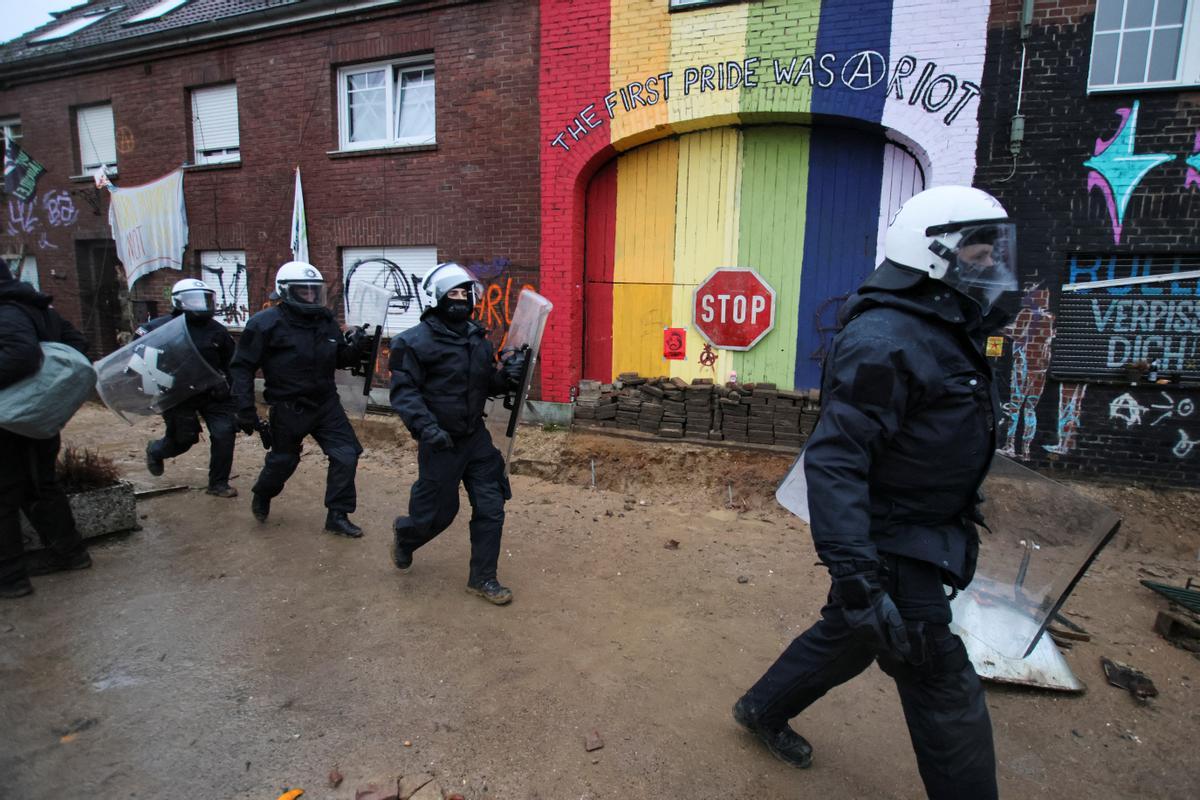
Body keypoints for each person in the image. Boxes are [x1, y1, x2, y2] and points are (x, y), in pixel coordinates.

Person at [732, 186, 1018, 800]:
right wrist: (860, 577)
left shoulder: (942, 326)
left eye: (995, 251)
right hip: (889, 541)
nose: (992, 265)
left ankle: (761, 709)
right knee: (939, 676)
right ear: (931, 253)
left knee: (850, 638)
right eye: (978, 252)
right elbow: (835, 462)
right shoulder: (887, 339)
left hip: (922, 529)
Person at [388, 262, 526, 605]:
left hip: (475, 438)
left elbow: (485, 384)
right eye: (454, 293)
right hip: (440, 441)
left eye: (467, 293)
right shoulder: (412, 343)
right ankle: (407, 537)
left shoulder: (477, 340)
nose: (462, 299)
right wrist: (427, 428)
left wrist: (507, 374)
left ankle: (483, 579)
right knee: (438, 515)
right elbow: (404, 392)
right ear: (437, 297)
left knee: (492, 507)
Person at [229, 261, 374, 537]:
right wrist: (244, 408)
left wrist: (357, 347)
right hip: (289, 406)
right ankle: (263, 493)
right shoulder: (265, 324)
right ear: (286, 292)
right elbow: (242, 367)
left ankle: (337, 515)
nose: (310, 296)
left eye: (313, 290)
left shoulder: (324, 320)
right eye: (303, 291)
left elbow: (339, 357)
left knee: (346, 455)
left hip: (326, 403)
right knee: (284, 460)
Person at [0, 261, 92, 598]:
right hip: (37, 416)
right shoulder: (40, 309)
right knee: (40, 486)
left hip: (9, 420)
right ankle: (69, 553)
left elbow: (21, 355)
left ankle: (10, 579)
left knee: (5, 495)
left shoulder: (6, 312)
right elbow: (76, 345)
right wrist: (47, 390)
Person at [140, 278, 239, 497]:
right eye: (194, 300)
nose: (201, 304)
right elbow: (139, 361)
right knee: (184, 439)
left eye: (205, 299)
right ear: (179, 301)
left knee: (225, 434)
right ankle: (156, 450)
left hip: (213, 394)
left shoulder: (218, 331)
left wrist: (233, 392)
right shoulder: (159, 329)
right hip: (178, 395)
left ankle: (218, 483)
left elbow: (233, 364)